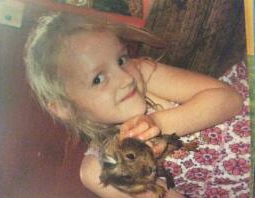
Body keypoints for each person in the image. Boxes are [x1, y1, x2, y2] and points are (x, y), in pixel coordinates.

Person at [24, 12, 243, 198]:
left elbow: (231, 101)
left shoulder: (143, 74)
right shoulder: (101, 169)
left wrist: (156, 123)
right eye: (98, 79)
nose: (125, 78)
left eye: (121, 59)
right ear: (66, 108)